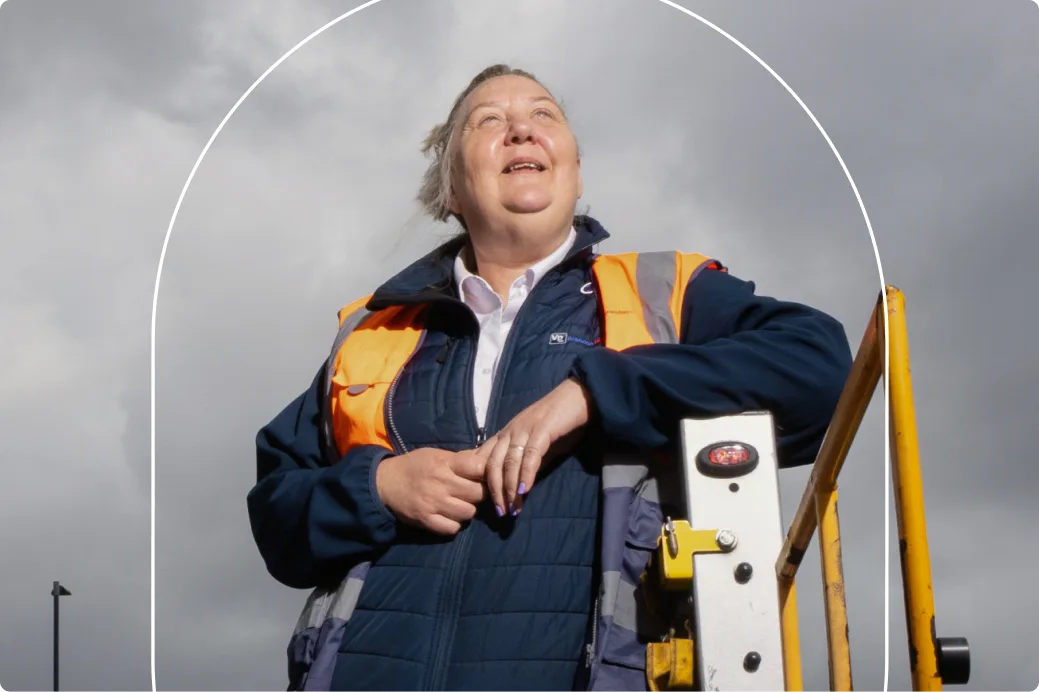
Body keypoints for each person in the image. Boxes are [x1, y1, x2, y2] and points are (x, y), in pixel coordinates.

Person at [247, 64, 853, 692]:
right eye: (489, 122)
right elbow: (276, 511)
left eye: (544, 115)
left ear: (575, 170)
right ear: (450, 188)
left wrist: (595, 391)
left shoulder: (663, 291)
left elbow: (819, 365)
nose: (520, 131)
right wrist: (379, 487)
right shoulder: (372, 332)